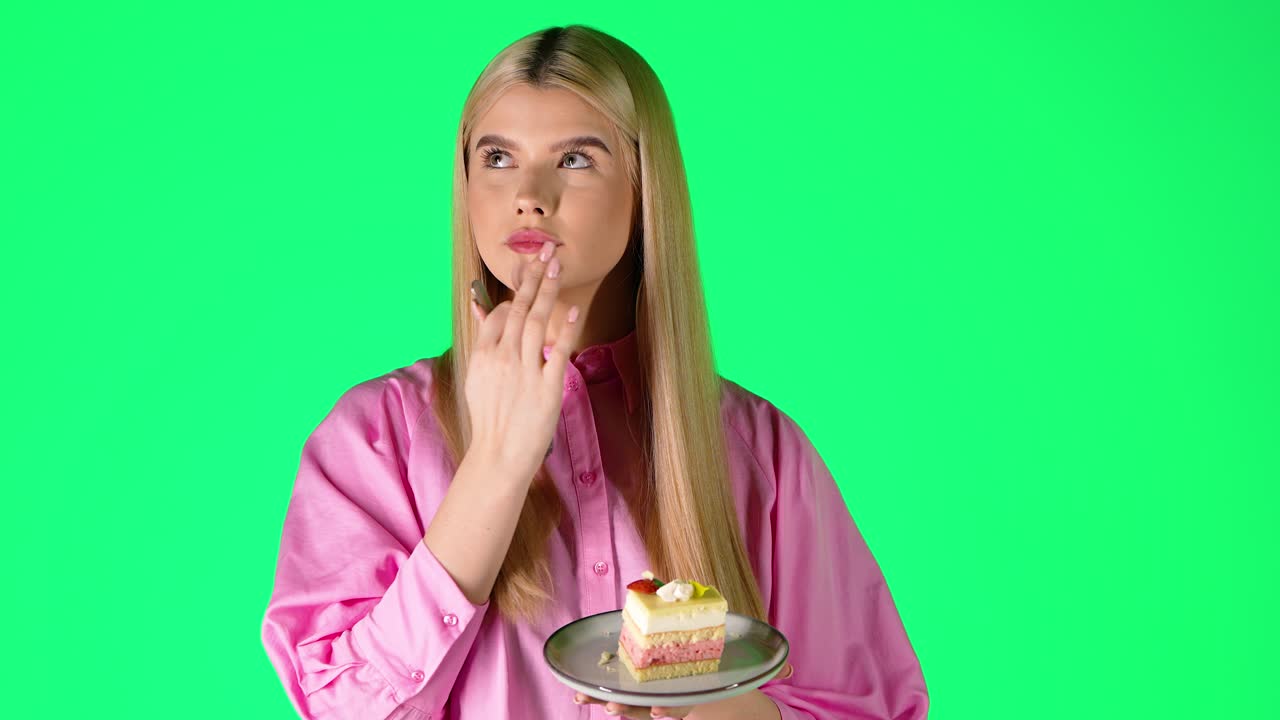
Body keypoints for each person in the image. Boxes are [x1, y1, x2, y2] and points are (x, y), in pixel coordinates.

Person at [261, 24, 929, 720]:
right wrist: (494, 467)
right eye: (497, 156)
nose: (529, 194)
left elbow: (869, 709)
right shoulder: (373, 439)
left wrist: (716, 711)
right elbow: (341, 707)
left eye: (576, 158)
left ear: (646, 192)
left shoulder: (763, 451)